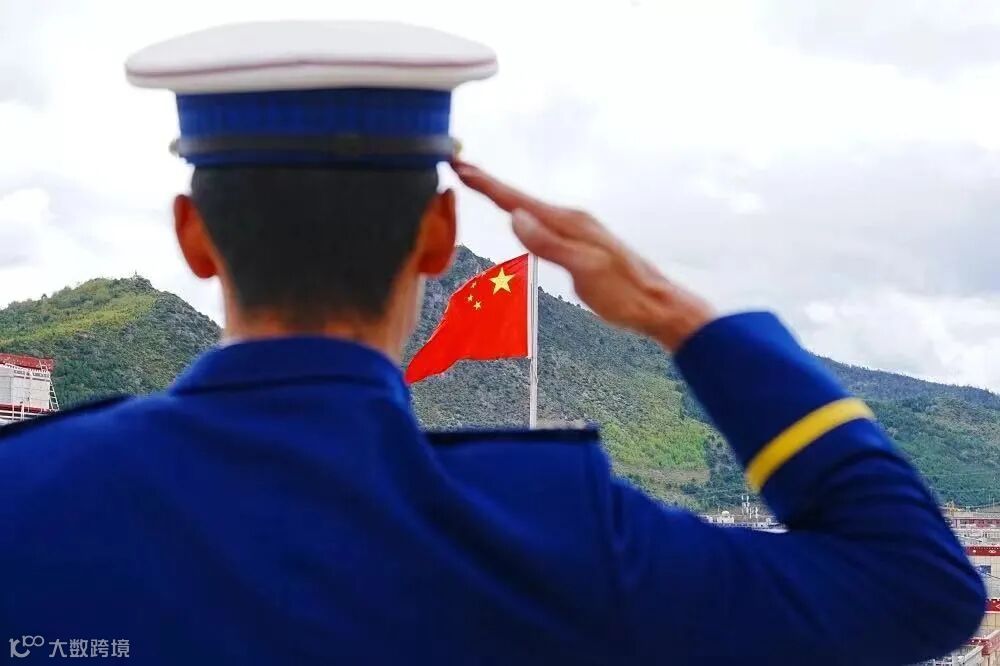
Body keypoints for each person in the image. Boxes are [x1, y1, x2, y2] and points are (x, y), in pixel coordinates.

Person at [0, 20, 985, 665]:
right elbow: (918, 588)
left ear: (192, 235)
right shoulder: (554, 529)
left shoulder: (24, 493)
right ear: (439, 237)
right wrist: (668, 311)